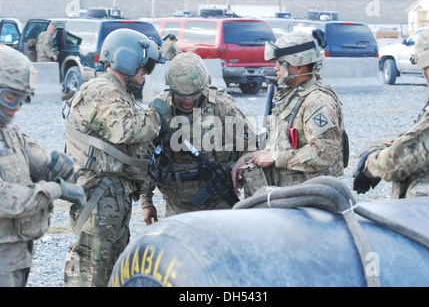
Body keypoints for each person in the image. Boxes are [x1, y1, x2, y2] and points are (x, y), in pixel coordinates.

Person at [63, 29, 169, 287]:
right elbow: (127, 129)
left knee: (111, 269)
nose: (145, 74)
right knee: (91, 271)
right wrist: (157, 113)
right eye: (144, 67)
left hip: (112, 194)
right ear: (128, 60)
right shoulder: (102, 89)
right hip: (98, 197)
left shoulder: (118, 92)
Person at [0, 45, 85, 287]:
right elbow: (5, 199)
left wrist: (61, 169)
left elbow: (41, 164)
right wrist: (56, 190)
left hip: (16, 252)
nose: (17, 107)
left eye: (22, 99)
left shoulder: (10, 131)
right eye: (9, 97)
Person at [140, 52, 256, 223]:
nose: (188, 101)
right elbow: (147, 157)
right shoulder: (161, 109)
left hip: (220, 203)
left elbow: (252, 147)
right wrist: (146, 202)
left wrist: (243, 161)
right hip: (177, 205)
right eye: (181, 96)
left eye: (194, 95)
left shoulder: (222, 107)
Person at [231, 30, 347, 197]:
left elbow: (323, 154)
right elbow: (279, 142)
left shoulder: (316, 102)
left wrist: (276, 157)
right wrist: (250, 158)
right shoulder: (289, 96)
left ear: (298, 67)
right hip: (287, 196)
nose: (275, 67)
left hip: (309, 198)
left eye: (280, 62)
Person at [353, 22, 429, 198]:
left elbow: (399, 159)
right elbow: (418, 133)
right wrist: (383, 148)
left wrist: (370, 165)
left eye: (424, 68)